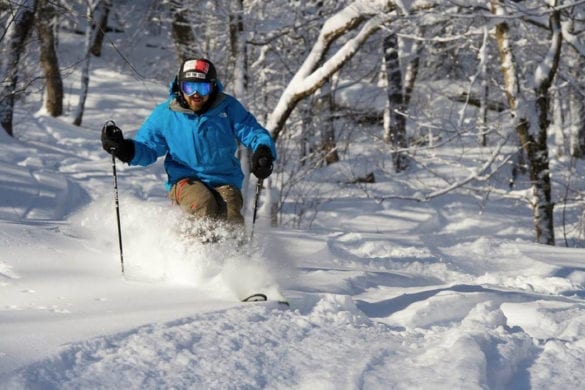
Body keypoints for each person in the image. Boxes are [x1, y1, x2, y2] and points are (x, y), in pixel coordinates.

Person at [101, 58, 276, 227]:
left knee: (231, 219)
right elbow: (148, 148)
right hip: (185, 180)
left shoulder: (228, 108)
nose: (195, 95)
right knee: (203, 203)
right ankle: (190, 252)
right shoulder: (167, 113)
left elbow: (252, 131)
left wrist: (263, 149)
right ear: (179, 87)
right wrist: (125, 149)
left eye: (202, 88)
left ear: (213, 87)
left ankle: (235, 255)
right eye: (189, 87)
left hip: (224, 179)